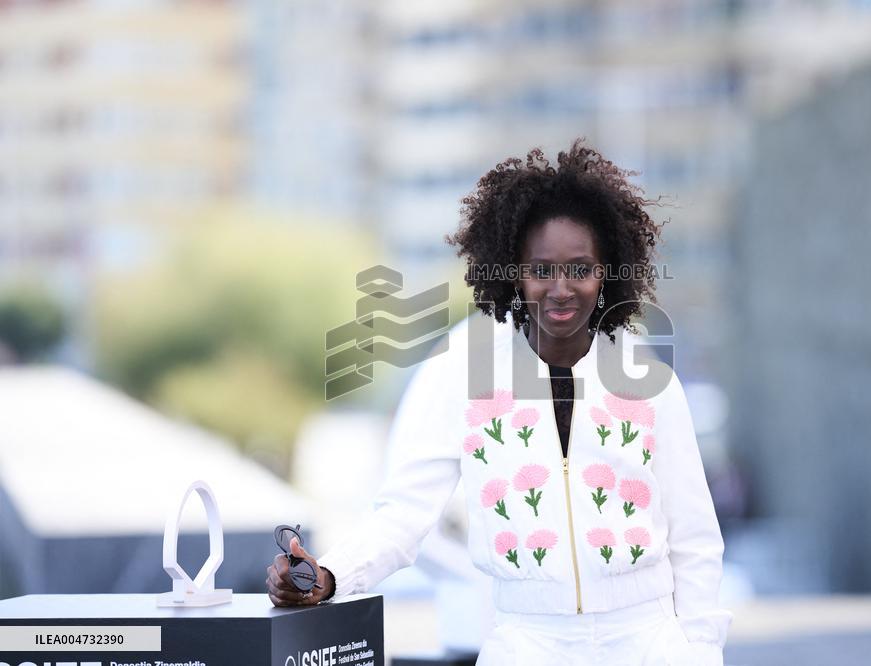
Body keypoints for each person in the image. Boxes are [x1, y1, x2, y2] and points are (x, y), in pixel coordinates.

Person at [267, 139, 734, 665]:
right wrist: (327, 576)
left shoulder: (650, 381)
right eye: (541, 269)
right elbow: (401, 517)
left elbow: (695, 542)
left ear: (608, 273)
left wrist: (701, 654)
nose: (561, 288)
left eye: (580, 268)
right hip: (526, 643)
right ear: (513, 271)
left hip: (649, 643)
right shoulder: (460, 379)